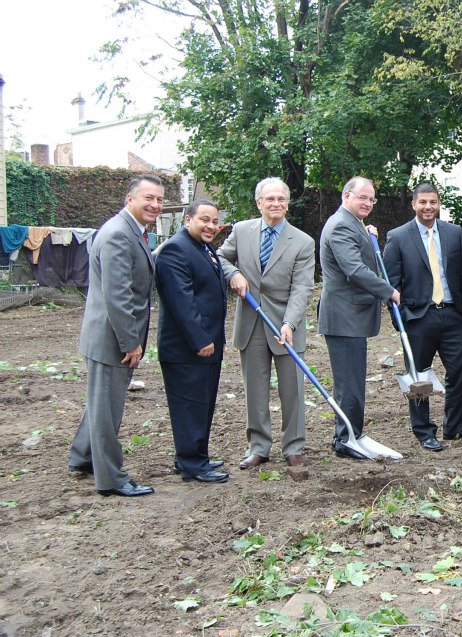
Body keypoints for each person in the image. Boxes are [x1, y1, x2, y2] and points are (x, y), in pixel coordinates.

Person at [67, 174, 162, 497]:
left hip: (109, 336)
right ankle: (110, 478)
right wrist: (130, 342)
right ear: (129, 199)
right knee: (108, 409)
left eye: (159, 200)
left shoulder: (130, 231)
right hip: (111, 339)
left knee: (100, 402)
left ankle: (82, 456)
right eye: (148, 198)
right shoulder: (119, 234)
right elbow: (117, 295)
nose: (155, 205)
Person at [218, 177, 315, 469]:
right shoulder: (241, 231)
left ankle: (293, 445)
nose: (276, 204)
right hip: (251, 322)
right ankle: (259, 446)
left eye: (281, 199)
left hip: (286, 325)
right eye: (270, 199)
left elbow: (302, 288)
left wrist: (290, 323)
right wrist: (233, 274)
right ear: (259, 203)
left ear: (287, 203)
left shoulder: (302, 242)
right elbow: (220, 257)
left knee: (292, 389)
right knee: (255, 389)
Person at [382, 183, 462, 451]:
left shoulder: (454, 233)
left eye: (433, 202)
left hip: (454, 315)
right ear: (414, 204)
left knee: (460, 373)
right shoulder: (399, 237)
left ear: (439, 204)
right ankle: (424, 431)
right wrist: (400, 318)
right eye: (423, 202)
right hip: (417, 318)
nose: (428, 207)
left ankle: (455, 427)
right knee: (419, 377)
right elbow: (391, 284)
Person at [317, 176, 400, 460]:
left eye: (371, 199)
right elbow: (354, 270)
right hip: (344, 316)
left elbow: (362, 258)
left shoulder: (351, 223)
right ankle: (346, 438)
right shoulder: (341, 225)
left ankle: (351, 433)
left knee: (353, 381)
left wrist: (367, 236)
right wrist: (388, 291)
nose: (367, 203)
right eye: (362, 197)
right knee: (349, 383)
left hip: (350, 316)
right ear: (346, 196)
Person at [155, 199, 229, 484]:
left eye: (214, 221)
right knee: (189, 404)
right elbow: (181, 301)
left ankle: (197, 454)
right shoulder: (176, 249)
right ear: (188, 220)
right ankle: (191, 463)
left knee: (203, 403)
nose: (211, 226)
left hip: (208, 344)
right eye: (204, 220)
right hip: (187, 347)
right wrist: (200, 339)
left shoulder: (203, 247)